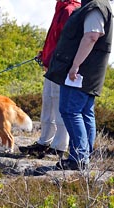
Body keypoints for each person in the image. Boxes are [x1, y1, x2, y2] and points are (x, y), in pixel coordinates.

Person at [45, 0, 113, 170]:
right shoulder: (98, 5)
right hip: (89, 72)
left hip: (82, 71)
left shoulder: (96, 5)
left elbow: (91, 36)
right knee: (84, 112)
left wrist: (75, 65)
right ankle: (83, 157)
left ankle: (78, 158)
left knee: (70, 111)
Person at [19, 0, 81, 158]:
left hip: (61, 67)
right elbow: (54, 39)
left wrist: (57, 60)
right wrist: (45, 54)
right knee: (48, 103)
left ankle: (59, 147)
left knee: (59, 105)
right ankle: (44, 142)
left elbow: (67, 41)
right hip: (52, 65)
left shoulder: (70, 9)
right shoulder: (61, 7)